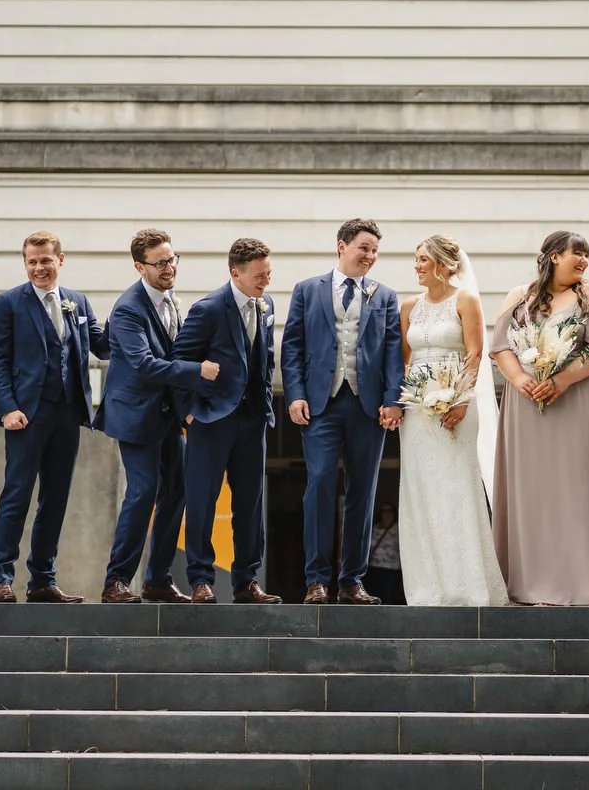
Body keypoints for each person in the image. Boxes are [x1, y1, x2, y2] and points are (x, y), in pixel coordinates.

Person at [281, 218, 405, 605]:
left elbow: (391, 351)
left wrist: (392, 398)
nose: (370, 256)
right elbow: (292, 346)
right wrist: (295, 394)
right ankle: (316, 580)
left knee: (363, 493)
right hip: (321, 405)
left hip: (367, 406)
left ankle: (352, 581)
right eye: (363, 247)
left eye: (375, 250)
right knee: (319, 486)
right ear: (342, 246)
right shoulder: (307, 290)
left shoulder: (384, 295)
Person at [489, 230, 589, 606]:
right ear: (552, 256)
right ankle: (528, 583)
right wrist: (521, 380)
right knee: (531, 491)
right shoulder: (519, 296)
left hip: (575, 400)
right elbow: (500, 346)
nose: (584, 261)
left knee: (572, 489)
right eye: (577, 253)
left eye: (586, 255)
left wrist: (561, 380)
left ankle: (574, 582)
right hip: (525, 403)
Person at [0, 230, 109, 604]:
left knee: (55, 499)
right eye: (32, 261)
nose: (39, 267)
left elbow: (101, 344)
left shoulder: (77, 302)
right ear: (26, 263)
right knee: (17, 495)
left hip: (67, 413)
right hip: (26, 415)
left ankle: (42, 579)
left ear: (61, 260)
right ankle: (1, 578)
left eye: (45, 260)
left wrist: (134, 314)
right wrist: (7, 407)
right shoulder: (8, 303)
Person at [94, 229, 211, 605]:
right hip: (134, 416)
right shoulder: (128, 308)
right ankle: (116, 582)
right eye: (160, 263)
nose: (169, 268)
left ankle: (158, 578)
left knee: (176, 492)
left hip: (167, 416)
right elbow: (144, 365)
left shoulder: (172, 301)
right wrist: (198, 372)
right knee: (143, 492)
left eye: (172, 259)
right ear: (139, 267)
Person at [396, 235, 508, 607]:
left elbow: (475, 353)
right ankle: (428, 588)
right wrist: (407, 401)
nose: (417, 266)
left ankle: (468, 586)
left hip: (457, 405)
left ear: (445, 264)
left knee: (456, 490)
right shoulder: (409, 306)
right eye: (416, 259)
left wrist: (460, 400)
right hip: (418, 410)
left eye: (423, 259)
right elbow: (407, 360)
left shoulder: (466, 300)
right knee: (421, 493)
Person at [175, 237, 283, 605]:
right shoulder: (207, 309)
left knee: (250, 504)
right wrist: (186, 412)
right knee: (203, 502)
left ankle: (246, 581)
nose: (266, 280)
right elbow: (180, 362)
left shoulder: (266, 305)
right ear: (235, 273)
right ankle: (201, 580)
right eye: (259, 275)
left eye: (268, 273)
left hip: (253, 421)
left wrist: (266, 404)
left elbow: (265, 360)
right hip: (210, 419)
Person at [365, 503, 405, 606]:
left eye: (389, 511)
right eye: (384, 511)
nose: (387, 514)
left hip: (392, 569)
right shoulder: (374, 528)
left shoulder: (399, 528)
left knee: (388, 597)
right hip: (374, 568)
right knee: (374, 595)